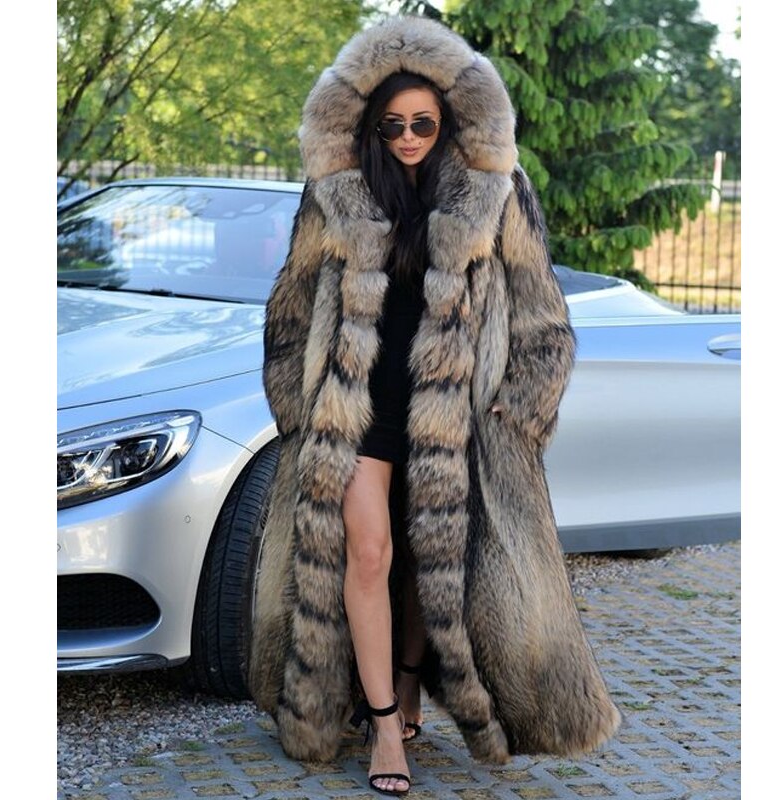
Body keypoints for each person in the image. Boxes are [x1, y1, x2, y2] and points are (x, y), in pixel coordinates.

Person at [249, 15, 622, 797]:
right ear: (371, 127)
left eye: (423, 123)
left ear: (448, 121)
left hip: (453, 414)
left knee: (431, 558)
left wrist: (521, 408)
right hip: (355, 407)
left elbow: (542, 315)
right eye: (393, 125)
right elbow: (289, 310)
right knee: (368, 553)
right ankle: (385, 726)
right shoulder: (337, 192)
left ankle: (409, 679)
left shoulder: (497, 191)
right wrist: (297, 404)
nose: (409, 137)